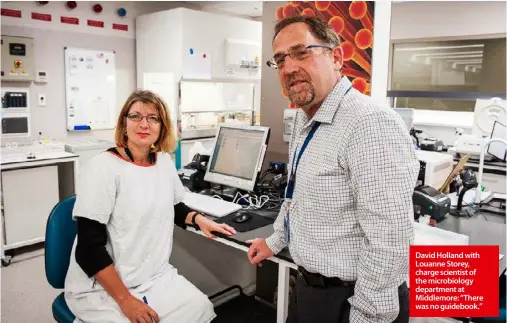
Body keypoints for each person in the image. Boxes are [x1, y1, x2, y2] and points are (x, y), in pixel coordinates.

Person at [247, 16, 419, 323]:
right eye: (280, 60)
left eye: (301, 52)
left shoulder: (369, 123)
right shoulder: (303, 117)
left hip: (353, 301)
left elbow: (390, 239)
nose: (288, 68)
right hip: (310, 290)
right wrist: (274, 241)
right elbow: (296, 196)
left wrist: (368, 317)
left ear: (336, 57)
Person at [64, 90, 236, 323]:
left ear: (161, 127)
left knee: (201, 308)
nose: (144, 124)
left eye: (153, 118)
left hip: (154, 277)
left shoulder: (162, 162)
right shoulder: (102, 168)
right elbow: (88, 250)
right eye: (135, 116)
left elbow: (173, 207)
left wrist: (198, 219)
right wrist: (126, 301)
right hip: (104, 287)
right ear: (124, 123)